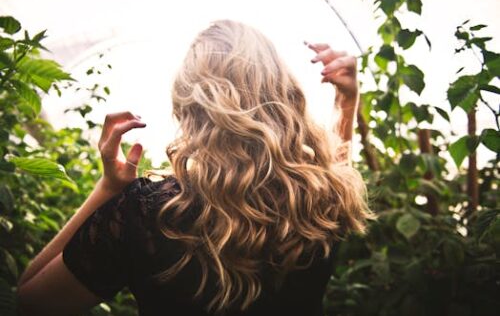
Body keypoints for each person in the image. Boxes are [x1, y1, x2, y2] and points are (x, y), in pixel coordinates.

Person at [17, 20, 372, 315]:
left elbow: (31, 302)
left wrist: (108, 189)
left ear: (189, 105)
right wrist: (346, 99)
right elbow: (335, 170)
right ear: (283, 93)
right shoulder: (322, 200)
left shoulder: (147, 213)